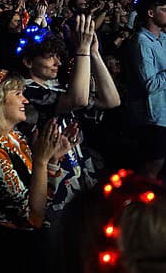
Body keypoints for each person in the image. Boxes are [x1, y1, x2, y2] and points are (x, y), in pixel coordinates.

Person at [0, 68, 73, 273]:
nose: (25, 100)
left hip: (23, 245)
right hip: (1, 249)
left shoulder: (16, 137)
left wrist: (52, 159)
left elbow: (42, 195)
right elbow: (32, 215)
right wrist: (40, 162)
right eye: (18, 94)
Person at [19, 15, 121, 213]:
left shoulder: (58, 89)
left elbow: (111, 101)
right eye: (50, 56)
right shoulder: (25, 91)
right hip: (49, 178)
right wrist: (81, 51)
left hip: (75, 171)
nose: (58, 62)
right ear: (28, 61)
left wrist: (94, 53)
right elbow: (79, 99)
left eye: (59, 55)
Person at [125, 0, 166, 180]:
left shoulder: (163, 38)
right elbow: (149, 84)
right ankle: (139, 206)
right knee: (153, 165)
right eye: (164, 10)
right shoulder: (142, 42)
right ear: (151, 13)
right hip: (153, 117)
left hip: (163, 113)